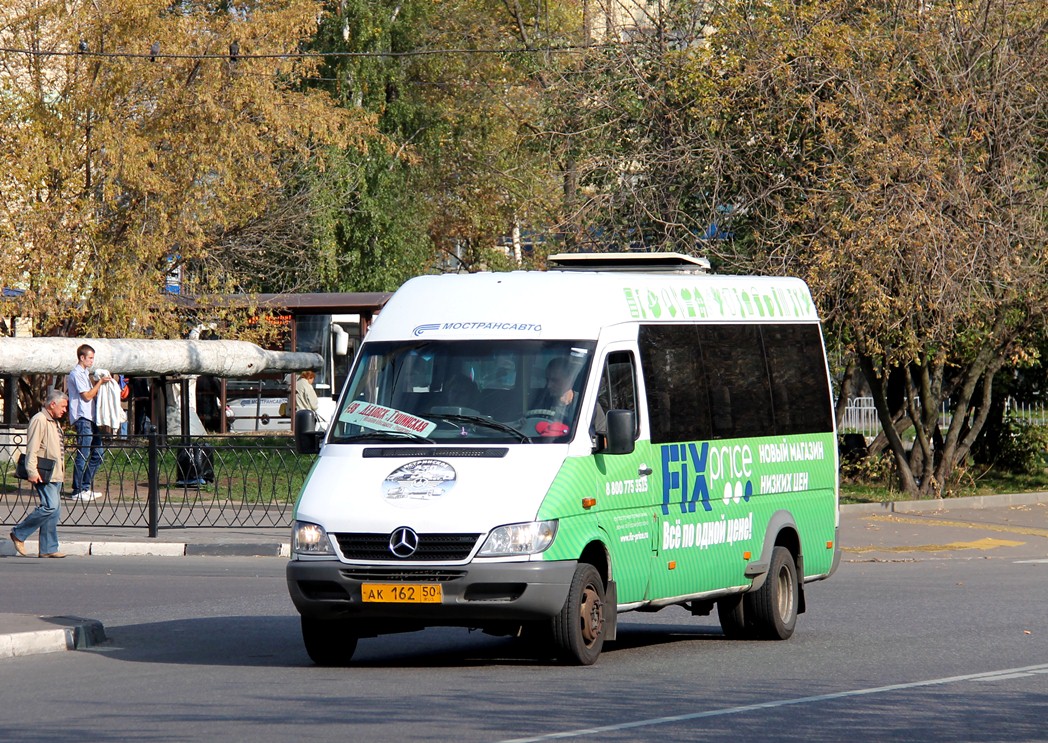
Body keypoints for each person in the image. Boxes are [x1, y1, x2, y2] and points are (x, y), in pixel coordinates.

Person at [9, 390, 69, 558]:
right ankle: (19, 533)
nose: (65, 410)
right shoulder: (39, 420)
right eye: (63, 406)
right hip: (43, 473)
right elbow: (32, 448)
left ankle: (49, 548)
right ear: (52, 404)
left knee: (54, 511)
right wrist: (32, 471)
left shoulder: (53, 422)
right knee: (49, 506)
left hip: (55, 473)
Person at [65, 343, 112, 502]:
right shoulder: (76, 374)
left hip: (91, 417)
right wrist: (100, 383)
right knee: (83, 453)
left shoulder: (85, 373)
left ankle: (85, 486)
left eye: (93, 358)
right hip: (83, 418)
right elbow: (87, 396)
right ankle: (77, 490)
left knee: (98, 454)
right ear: (82, 357)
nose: (92, 361)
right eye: (90, 358)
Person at [529, 358, 579, 434]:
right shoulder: (538, 400)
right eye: (547, 380)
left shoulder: (587, 406)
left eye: (555, 380)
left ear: (570, 380)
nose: (549, 385)